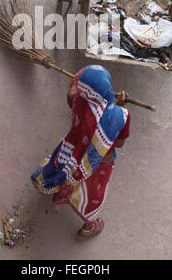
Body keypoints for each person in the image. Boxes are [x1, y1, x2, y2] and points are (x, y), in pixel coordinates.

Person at [31, 65, 130, 240]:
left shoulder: (77, 100)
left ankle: (49, 185)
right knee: (91, 195)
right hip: (98, 164)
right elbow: (119, 143)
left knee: (57, 167)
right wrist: (118, 107)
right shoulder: (120, 115)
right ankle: (90, 226)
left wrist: (80, 78)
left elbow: (73, 88)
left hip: (71, 152)